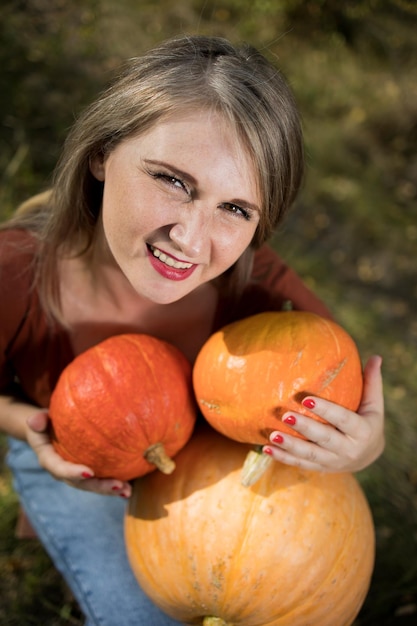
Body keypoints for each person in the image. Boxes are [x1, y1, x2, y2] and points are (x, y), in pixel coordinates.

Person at [0, 35, 384, 625]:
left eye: (235, 209)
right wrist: (33, 428)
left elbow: (349, 406)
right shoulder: (15, 274)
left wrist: (364, 444)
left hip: (208, 465)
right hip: (76, 459)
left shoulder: (263, 299)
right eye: (174, 181)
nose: (190, 239)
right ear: (102, 153)